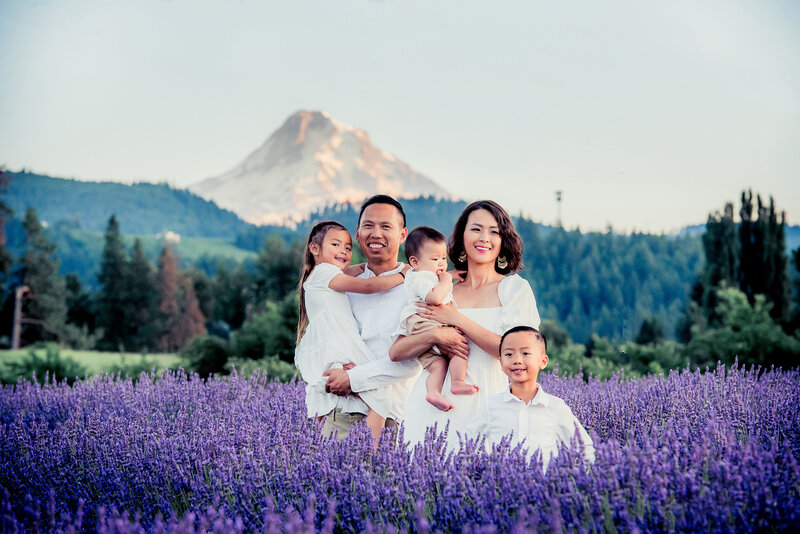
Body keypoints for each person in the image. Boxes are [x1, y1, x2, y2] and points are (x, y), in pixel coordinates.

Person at [389, 200, 540, 449]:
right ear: (461, 235)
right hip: (432, 403)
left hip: (489, 398)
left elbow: (518, 353)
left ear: (503, 241)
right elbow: (396, 352)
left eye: (494, 232)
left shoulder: (514, 289)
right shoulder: (437, 289)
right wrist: (435, 335)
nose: (484, 238)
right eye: (476, 229)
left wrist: (456, 319)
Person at [322, 195, 470, 439]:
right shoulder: (344, 285)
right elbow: (328, 339)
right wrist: (338, 370)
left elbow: (414, 358)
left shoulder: (419, 288)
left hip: (394, 417)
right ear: (357, 233)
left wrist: (353, 378)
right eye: (368, 226)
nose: (376, 233)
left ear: (403, 235)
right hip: (342, 411)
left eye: (386, 226)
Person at [294, 220, 406, 443]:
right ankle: (372, 451)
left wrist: (368, 267)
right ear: (314, 248)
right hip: (339, 345)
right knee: (381, 395)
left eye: (347, 247)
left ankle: (315, 438)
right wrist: (404, 275)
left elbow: (355, 271)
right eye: (335, 245)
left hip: (332, 347)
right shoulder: (325, 273)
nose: (344, 251)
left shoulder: (322, 274)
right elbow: (370, 286)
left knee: (333, 392)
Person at [466, 326, 595, 468]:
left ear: (543, 361)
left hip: (543, 486)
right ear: (501, 362)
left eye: (525, 353)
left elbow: (584, 448)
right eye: (509, 354)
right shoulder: (491, 405)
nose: (517, 360)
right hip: (503, 485)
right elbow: (467, 445)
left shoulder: (555, 407)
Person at [397, 226, 478, 413]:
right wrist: (447, 280)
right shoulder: (421, 277)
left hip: (422, 328)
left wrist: (449, 276)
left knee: (438, 365)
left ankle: (433, 392)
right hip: (425, 323)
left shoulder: (425, 274)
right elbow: (434, 298)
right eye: (435, 259)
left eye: (443, 258)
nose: (441, 264)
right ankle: (457, 381)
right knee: (459, 349)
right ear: (415, 262)